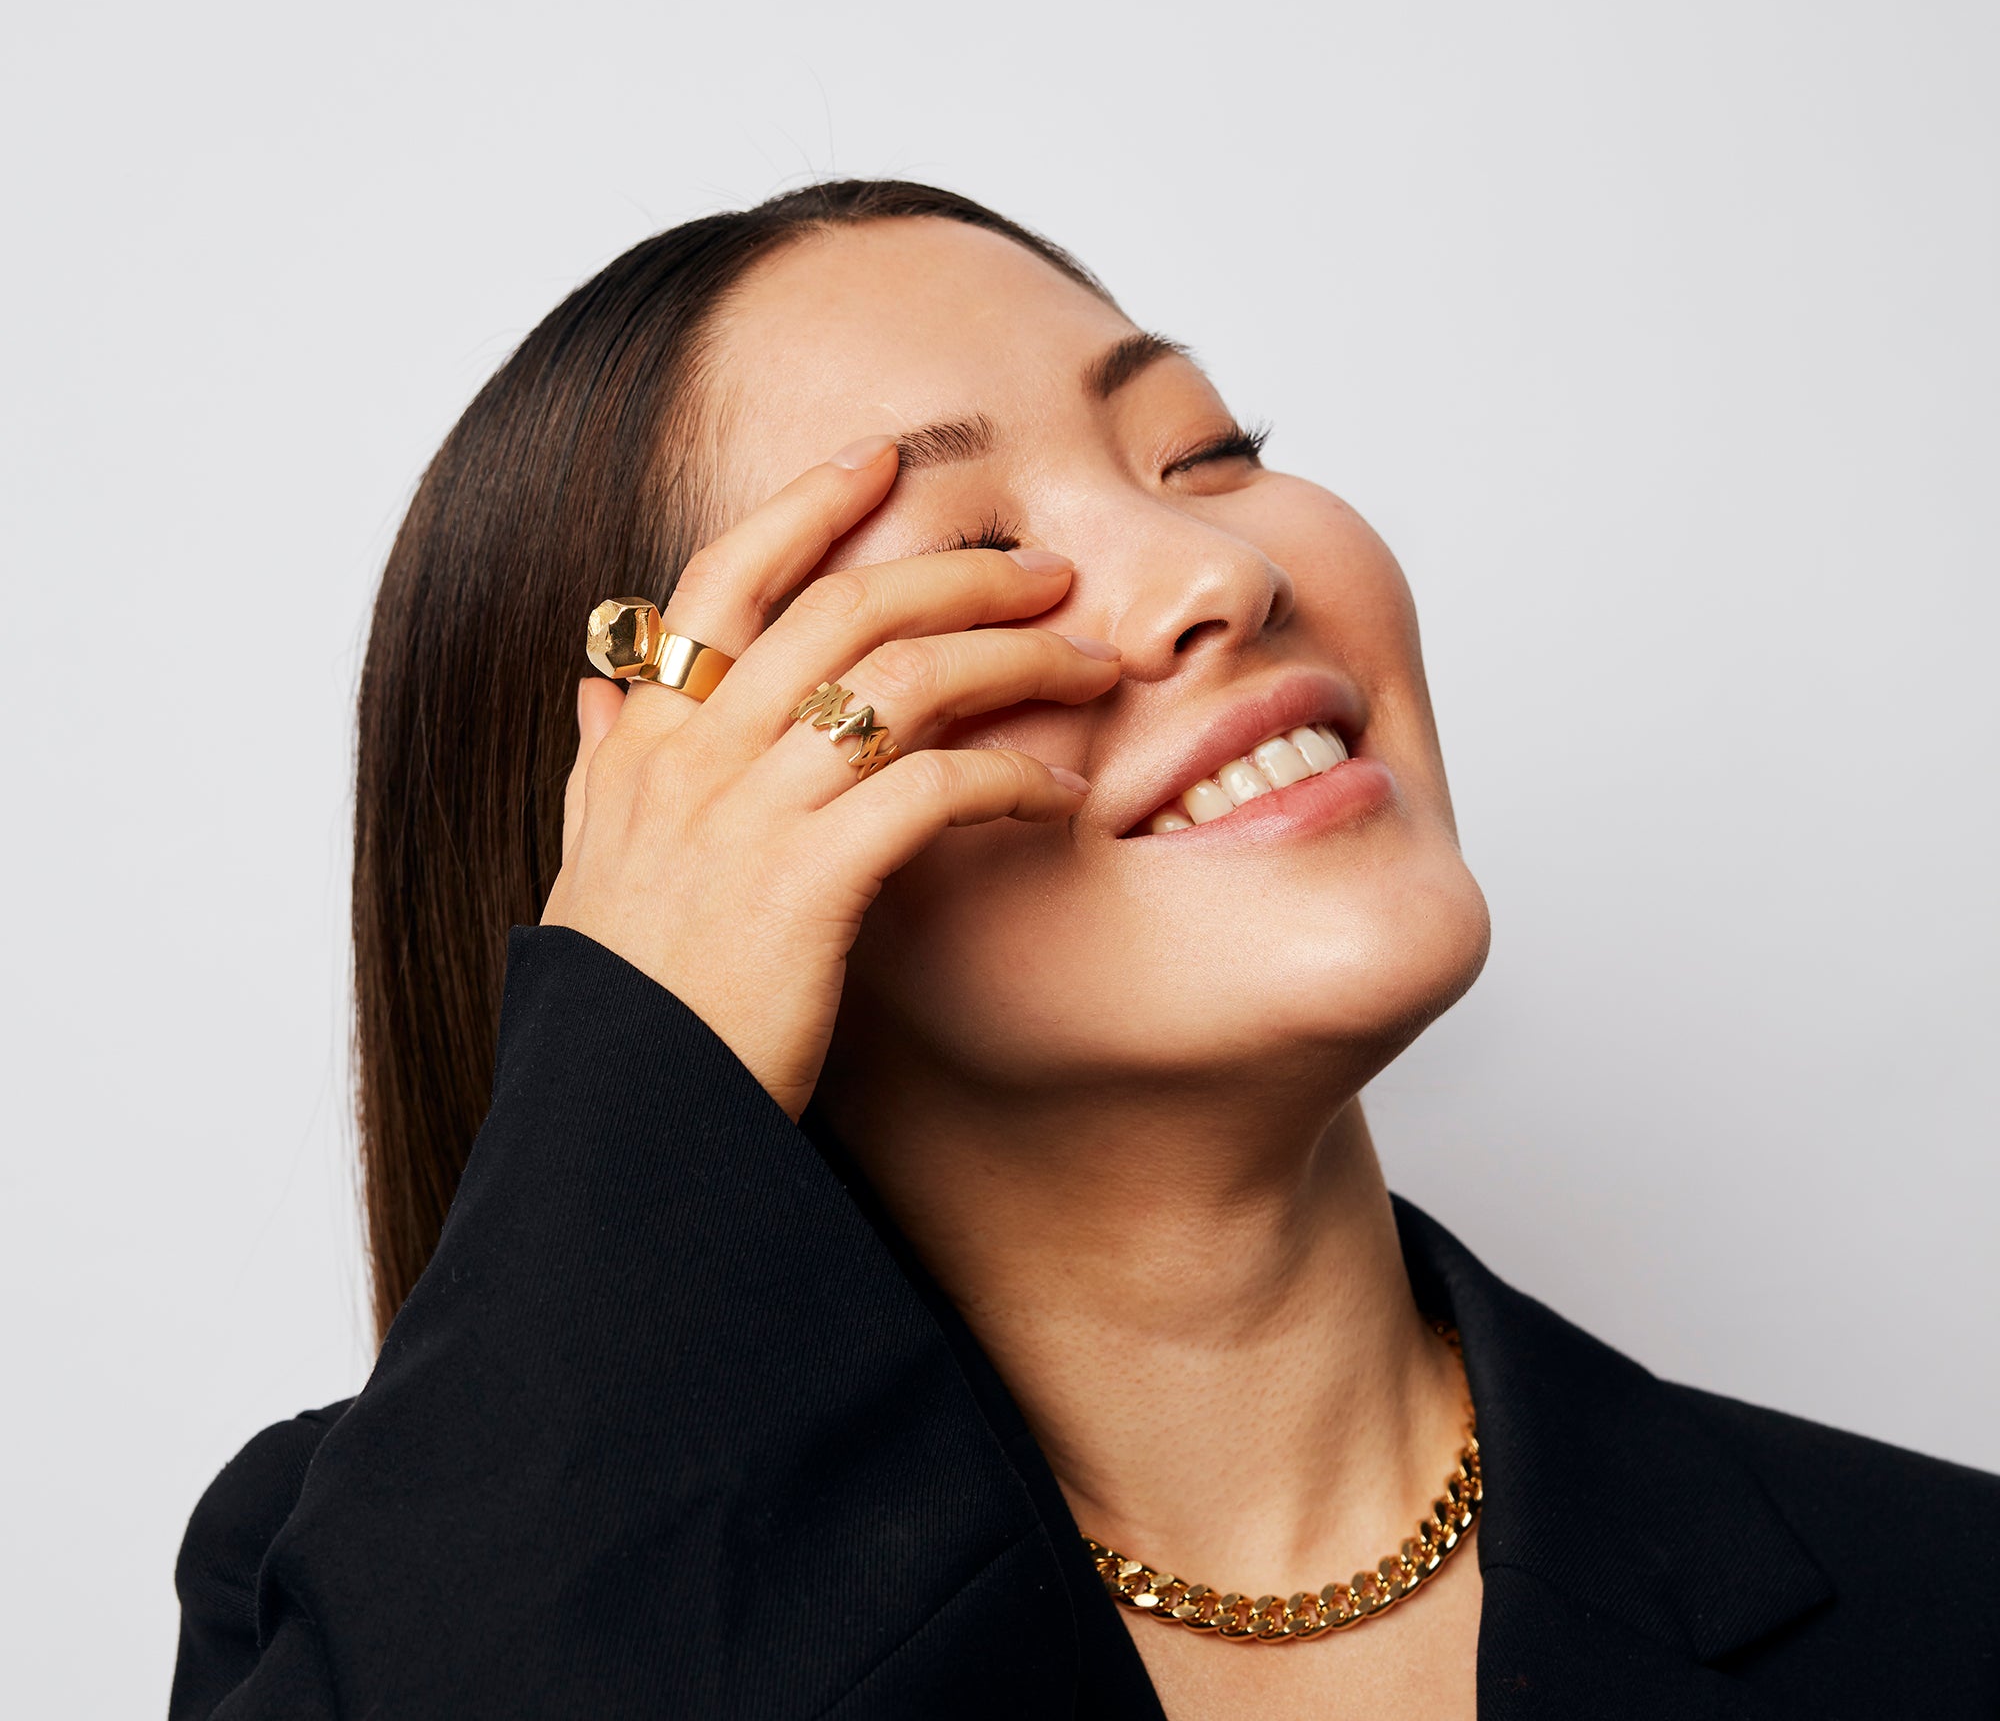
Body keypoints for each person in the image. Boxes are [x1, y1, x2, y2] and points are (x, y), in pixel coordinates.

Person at [168, 180, 1998, 1720]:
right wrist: (636, 1059)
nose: (1220, 574)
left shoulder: (1951, 1604)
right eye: (964, 559)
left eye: (1209, 453)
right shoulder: (376, 1605)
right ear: (667, 844)